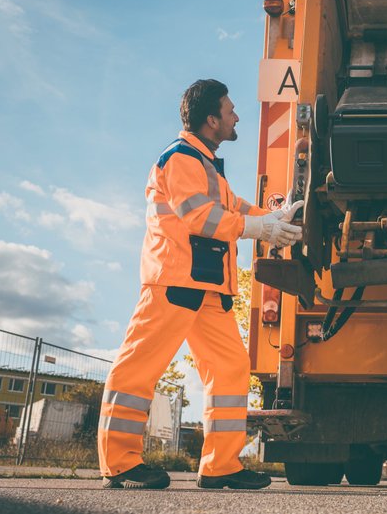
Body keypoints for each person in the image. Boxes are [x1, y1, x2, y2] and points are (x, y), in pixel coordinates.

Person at [98, 79, 302, 490]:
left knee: (230, 370)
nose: (236, 116)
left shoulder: (206, 165)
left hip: (207, 290)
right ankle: (119, 463)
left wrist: (274, 218)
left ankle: (221, 466)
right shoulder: (180, 159)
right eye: (230, 111)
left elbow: (233, 207)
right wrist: (258, 228)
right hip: (172, 284)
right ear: (212, 120)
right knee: (138, 370)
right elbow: (199, 218)